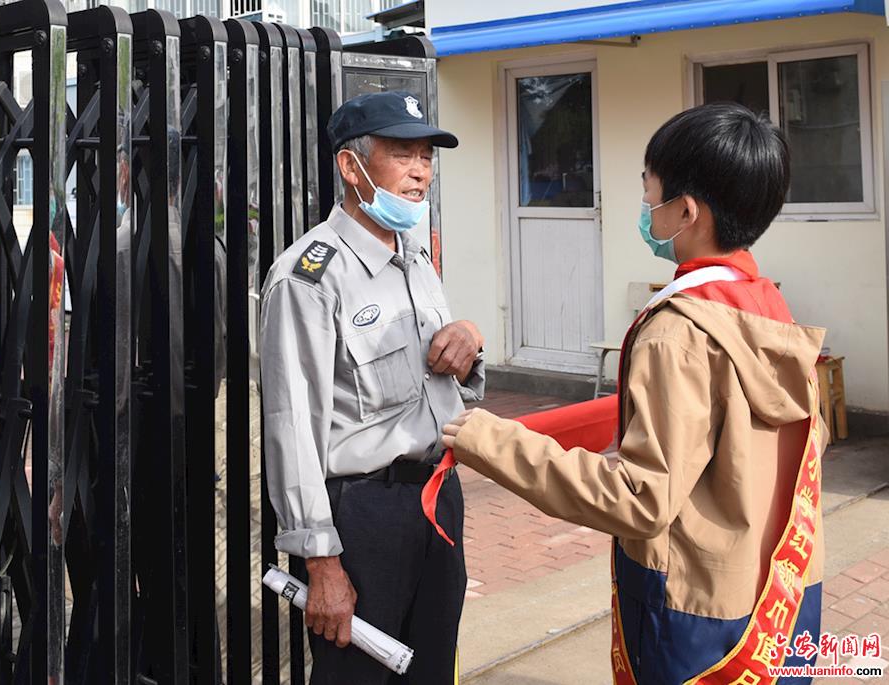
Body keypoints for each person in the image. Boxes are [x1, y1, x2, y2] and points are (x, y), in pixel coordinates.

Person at [444, 103, 826, 684]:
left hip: (695, 613)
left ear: (687, 211)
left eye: (649, 193)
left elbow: (641, 499)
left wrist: (489, 439)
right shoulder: (767, 308)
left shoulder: (679, 332)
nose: (644, 208)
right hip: (774, 596)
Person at [260, 90, 485, 684]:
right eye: (402, 154)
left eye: (427, 156)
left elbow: (438, 376)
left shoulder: (415, 254)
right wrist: (322, 561)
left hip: (437, 497)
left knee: (433, 669)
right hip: (364, 517)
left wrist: (468, 340)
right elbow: (291, 427)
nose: (420, 171)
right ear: (351, 165)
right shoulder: (307, 276)